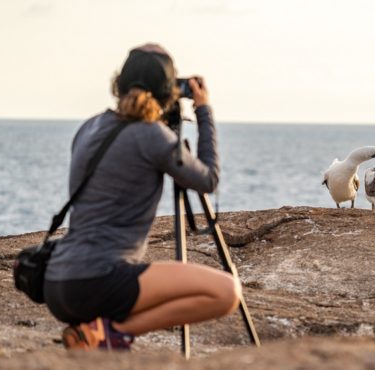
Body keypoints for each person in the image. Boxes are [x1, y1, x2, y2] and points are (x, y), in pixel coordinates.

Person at [43, 43, 241, 350]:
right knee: (227, 292)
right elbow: (208, 179)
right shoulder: (153, 137)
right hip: (99, 281)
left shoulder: (89, 126)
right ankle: (112, 332)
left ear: (119, 85)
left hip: (57, 283)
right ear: (168, 93)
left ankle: (92, 333)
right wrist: (203, 110)